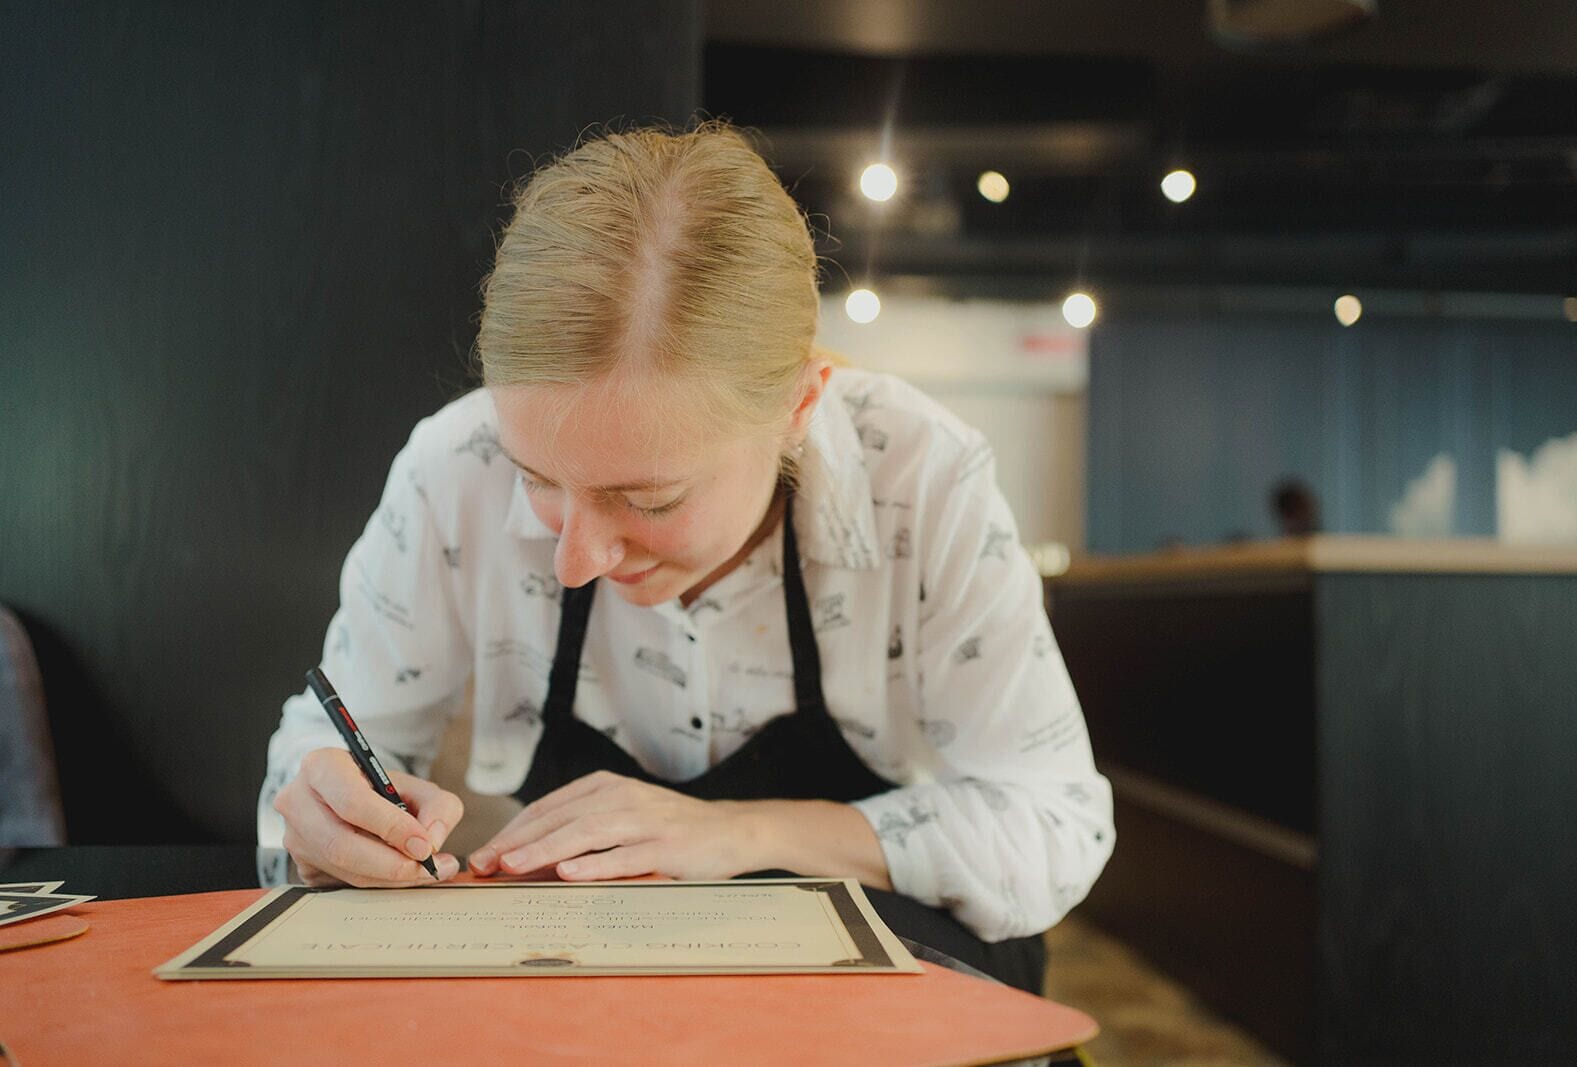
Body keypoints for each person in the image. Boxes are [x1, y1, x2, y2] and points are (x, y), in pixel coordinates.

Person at [258, 121, 1114, 993]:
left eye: (649, 499)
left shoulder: (922, 477)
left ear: (798, 405)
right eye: (538, 480)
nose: (576, 558)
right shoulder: (454, 470)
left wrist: (739, 835)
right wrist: (325, 810)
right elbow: (322, 745)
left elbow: (1052, 823)